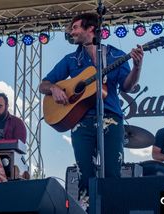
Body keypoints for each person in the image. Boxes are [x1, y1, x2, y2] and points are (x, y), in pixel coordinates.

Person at [39, 13, 144, 195]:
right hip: (81, 121)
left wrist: (137, 67)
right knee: (84, 175)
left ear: (90, 29)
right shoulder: (71, 59)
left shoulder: (115, 55)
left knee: (113, 173)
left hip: (111, 118)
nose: (72, 32)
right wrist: (55, 89)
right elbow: (43, 85)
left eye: (75, 27)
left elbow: (127, 86)